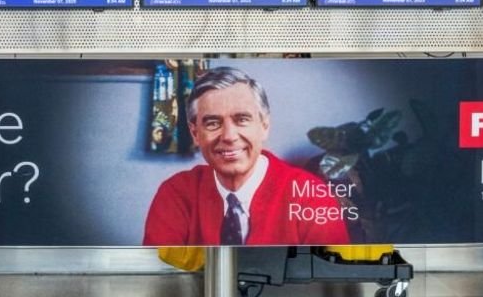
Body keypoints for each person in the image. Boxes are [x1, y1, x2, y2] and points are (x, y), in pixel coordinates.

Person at [143, 67, 351, 246]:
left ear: (264, 126)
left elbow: (327, 285)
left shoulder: (312, 197)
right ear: (195, 133)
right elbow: (159, 280)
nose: (229, 136)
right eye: (212, 123)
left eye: (242, 119)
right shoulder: (175, 194)